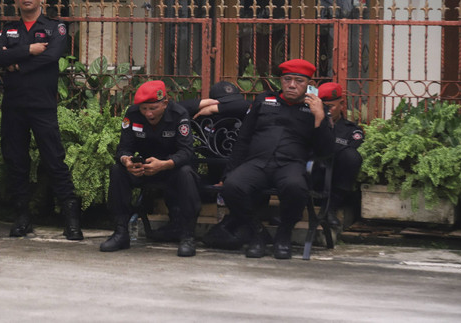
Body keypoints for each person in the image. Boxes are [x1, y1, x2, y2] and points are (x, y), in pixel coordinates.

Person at [0, 0, 83, 240]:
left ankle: (72, 220)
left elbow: (52, 56)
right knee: (16, 161)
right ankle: (22, 217)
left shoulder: (56, 28)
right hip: (14, 106)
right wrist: (29, 49)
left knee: (54, 160)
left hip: (42, 106)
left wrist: (17, 64)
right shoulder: (9, 29)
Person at [222, 59, 335, 259]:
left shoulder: (316, 108)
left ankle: (284, 234)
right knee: (232, 185)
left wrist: (319, 118)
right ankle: (256, 233)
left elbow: (325, 151)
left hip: (290, 164)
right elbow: (244, 138)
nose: (292, 85)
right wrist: (229, 171)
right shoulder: (264, 100)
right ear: (280, 81)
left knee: (295, 187)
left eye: (299, 81)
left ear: (309, 85)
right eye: (287, 79)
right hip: (258, 163)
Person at [100, 80, 201, 257]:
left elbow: (186, 152)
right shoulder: (132, 114)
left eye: (153, 108)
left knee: (186, 174)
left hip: (171, 169)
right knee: (117, 171)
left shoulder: (179, 115)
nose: (148, 113)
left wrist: (165, 164)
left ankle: (187, 236)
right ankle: (120, 232)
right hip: (144, 169)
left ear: (165, 103)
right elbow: (123, 148)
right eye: (144, 109)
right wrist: (128, 162)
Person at [147, 81, 250, 243]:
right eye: (222, 103)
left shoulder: (246, 116)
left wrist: (219, 108)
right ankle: (177, 224)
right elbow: (173, 108)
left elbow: (250, 105)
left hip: (238, 178)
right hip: (212, 179)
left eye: (233, 103)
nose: (230, 107)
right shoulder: (203, 118)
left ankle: (237, 226)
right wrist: (202, 104)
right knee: (179, 174)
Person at [317, 82, 364, 227]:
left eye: (330, 106)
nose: (326, 111)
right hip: (312, 176)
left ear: (342, 105)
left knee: (350, 157)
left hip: (335, 180)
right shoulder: (312, 123)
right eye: (322, 106)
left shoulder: (351, 130)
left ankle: (331, 209)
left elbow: (349, 152)